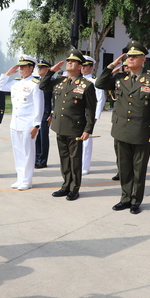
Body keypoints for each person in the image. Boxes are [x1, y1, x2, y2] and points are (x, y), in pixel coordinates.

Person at [95, 41, 150, 214]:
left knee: (138, 169)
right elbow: (99, 83)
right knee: (124, 168)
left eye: (134, 56)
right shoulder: (119, 78)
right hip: (121, 130)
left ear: (143, 59)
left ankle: (136, 201)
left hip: (142, 131)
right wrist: (111, 65)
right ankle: (125, 198)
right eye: (128, 56)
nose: (130, 59)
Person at [39, 49, 96, 201]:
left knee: (74, 159)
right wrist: (51, 71)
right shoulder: (60, 81)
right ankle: (65, 186)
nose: (69, 62)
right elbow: (42, 85)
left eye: (73, 61)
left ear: (80, 66)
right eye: (68, 60)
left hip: (75, 127)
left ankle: (74, 188)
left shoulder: (86, 85)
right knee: (64, 158)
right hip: (59, 126)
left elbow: (91, 110)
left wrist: (88, 129)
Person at [0, 55, 44, 190]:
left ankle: (27, 180)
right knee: (17, 152)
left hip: (28, 124)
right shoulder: (15, 82)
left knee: (28, 152)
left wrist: (37, 125)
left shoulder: (35, 84)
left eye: (23, 66)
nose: (20, 68)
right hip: (15, 123)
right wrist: (7, 74)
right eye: (20, 66)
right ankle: (20, 178)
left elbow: (39, 106)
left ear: (31, 68)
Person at [80, 56, 106, 175]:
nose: (83, 68)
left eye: (85, 66)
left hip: (88, 115)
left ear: (91, 68)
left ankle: (85, 166)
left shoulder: (95, 81)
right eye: (82, 65)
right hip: (76, 114)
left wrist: (95, 117)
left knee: (86, 142)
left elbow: (100, 100)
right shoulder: (76, 79)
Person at [34, 59, 53, 169]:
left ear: (48, 69)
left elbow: (54, 99)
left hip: (45, 113)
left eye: (42, 67)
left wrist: (52, 113)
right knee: (36, 137)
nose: (39, 69)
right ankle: (36, 158)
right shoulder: (35, 81)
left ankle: (42, 160)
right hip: (36, 113)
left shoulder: (51, 81)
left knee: (43, 137)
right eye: (39, 67)